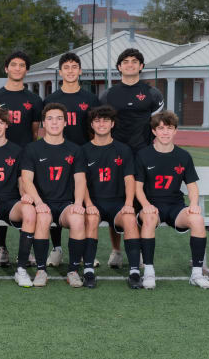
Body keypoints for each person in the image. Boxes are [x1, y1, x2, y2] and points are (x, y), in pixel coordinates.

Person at [100, 47, 164, 268]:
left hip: (142, 155)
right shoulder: (108, 94)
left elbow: (158, 126)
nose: (129, 64)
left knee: (140, 204)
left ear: (141, 66)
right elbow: (101, 126)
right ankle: (116, 250)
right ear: (119, 67)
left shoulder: (153, 94)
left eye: (134, 61)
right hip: (115, 156)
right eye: (125, 61)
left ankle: (141, 253)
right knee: (117, 203)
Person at [134, 110, 209, 289]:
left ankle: (197, 274)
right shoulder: (143, 155)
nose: (165, 132)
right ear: (154, 131)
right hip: (152, 206)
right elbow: (137, 187)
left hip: (175, 207)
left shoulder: (183, 156)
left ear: (175, 131)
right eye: (161, 128)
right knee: (149, 218)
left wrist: (193, 205)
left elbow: (192, 186)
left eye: (169, 128)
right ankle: (149, 272)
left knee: (197, 219)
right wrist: (145, 205)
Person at [20, 103, 87, 287]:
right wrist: (39, 202)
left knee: (78, 219)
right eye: (49, 118)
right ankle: (41, 270)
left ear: (65, 123)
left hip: (65, 203)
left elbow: (80, 180)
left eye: (59, 118)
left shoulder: (75, 150)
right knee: (42, 217)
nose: (54, 122)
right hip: (44, 202)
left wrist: (79, 203)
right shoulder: (32, 149)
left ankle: (73, 270)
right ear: (43, 123)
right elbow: (27, 179)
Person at [44, 52, 101, 267]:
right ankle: (57, 248)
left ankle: (87, 249)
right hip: (57, 157)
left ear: (80, 71)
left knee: (84, 203)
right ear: (60, 72)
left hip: (84, 156)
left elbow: (95, 128)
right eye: (65, 67)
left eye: (74, 67)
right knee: (56, 200)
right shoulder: (51, 100)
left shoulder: (90, 99)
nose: (70, 71)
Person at [0, 51, 43, 268]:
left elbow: (35, 131)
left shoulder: (34, 99)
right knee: (0, 197)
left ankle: (27, 248)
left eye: (22, 65)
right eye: (13, 64)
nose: (18, 68)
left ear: (27, 70)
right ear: (6, 68)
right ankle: (2, 247)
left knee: (26, 200)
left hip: (24, 157)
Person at [81, 105, 142, 289]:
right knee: (91, 219)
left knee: (130, 219)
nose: (101, 124)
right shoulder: (83, 150)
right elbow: (81, 181)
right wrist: (89, 203)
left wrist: (129, 203)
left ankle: (134, 272)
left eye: (106, 120)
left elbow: (129, 179)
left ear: (112, 124)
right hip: (95, 202)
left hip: (117, 202)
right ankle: (89, 271)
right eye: (97, 120)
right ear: (92, 124)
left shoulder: (123, 150)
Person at [0, 104, 37, 288]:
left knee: (29, 211)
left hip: (11, 202)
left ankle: (21, 269)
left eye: (1, 123)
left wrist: (24, 195)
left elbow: (21, 178)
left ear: (7, 125)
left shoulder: (17, 150)